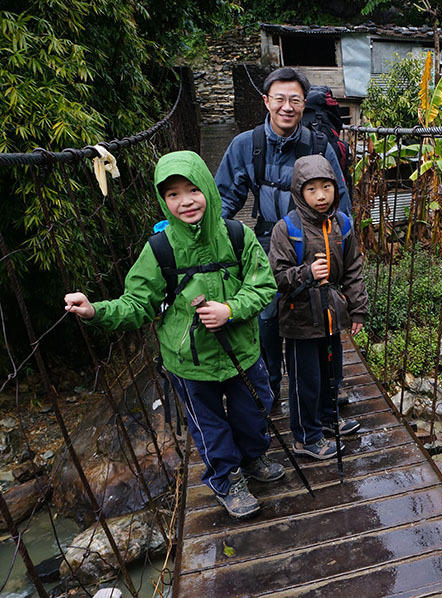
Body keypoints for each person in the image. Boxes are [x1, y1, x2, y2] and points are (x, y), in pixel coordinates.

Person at [64, 151, 282, 519]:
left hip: (242, 350)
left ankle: (253, 457)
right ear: (163, 200)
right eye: (173, 195)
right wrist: (95, 311)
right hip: (188, 362)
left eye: (193, 189)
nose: (185, 202)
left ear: (209, 189)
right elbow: (137, 303)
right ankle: (228, 479)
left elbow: (264, 285)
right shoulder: (159, 249)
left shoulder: (237, 235)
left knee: (255, 409)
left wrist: (230, 310)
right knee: (209, 425)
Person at [216, 67, 351, 402]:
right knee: (267, 314)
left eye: (295, 100)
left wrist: (343, 255)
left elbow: (340, 200)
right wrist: (205, 243)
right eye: (280, 99)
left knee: (320, 315)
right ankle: (269, 387)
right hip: (268, 242)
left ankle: (327, 389)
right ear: (266, 101)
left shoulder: (319, 145)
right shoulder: (246, 145)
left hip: (314, 243)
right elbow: (223, 201)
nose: (287, 107)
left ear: (304, 105)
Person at [268, 155, 367, 459]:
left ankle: (326, 418)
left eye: (327, 187)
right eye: (311, 190)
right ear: (299, 192)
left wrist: (358, 309)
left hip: (330, 314)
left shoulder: (342, 224)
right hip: (299, 319)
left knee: (330, 372)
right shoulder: (286, 230)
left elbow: (352, 268)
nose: (321, 196)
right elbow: (276, 278)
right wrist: (306, 274)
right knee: (305, 381)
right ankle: (305, 437)